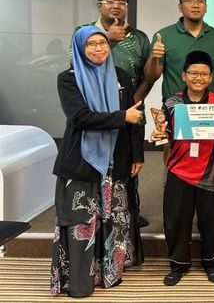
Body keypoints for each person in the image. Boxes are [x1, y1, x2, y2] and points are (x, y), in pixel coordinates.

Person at [51, 27, 144, 297]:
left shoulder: (121, 76)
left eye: (102, 43)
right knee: (82, 222)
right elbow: (80, 117)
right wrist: (120, 118)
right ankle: (79, 283)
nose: (97, 48)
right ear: (79, 48)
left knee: (112, 219)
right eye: (90, 44)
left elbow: (134, 118)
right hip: (81, 162)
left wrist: (137, 153)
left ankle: (108, 274)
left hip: (115, 160)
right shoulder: (68, 79)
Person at [73, 0, 150, 241]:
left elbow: (146, 75)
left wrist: (131, 102)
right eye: (110, 1)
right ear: (99, 5)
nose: (116, 5)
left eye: (122, 2)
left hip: (129, 107)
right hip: (93, 113)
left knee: (127, 168)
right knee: (93, 170)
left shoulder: (138, 37)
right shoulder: (84, 32)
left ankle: (129, 214)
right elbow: (75, 66)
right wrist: (108, 38)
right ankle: (94, 217)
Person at [149, 51, 214, 286]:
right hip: (178, 170)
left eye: (204, 73)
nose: (199, 77)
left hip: (209, 171)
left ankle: (211, 262)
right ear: (184, 75)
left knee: (210, 220)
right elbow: (163, 132)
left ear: (210, 77)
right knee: (175, 220)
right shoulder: (172, 102)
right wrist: (158, 134)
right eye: (194, 73)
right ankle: (178, 264)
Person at [144, 0, 214, 103]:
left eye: (200, 1)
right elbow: (150, 78)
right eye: (189, 1)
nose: (195, 5)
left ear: (206, 7)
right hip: (175, 106)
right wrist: (154, 58)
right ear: (180, 7)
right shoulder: (164, 36)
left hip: (211, 109)